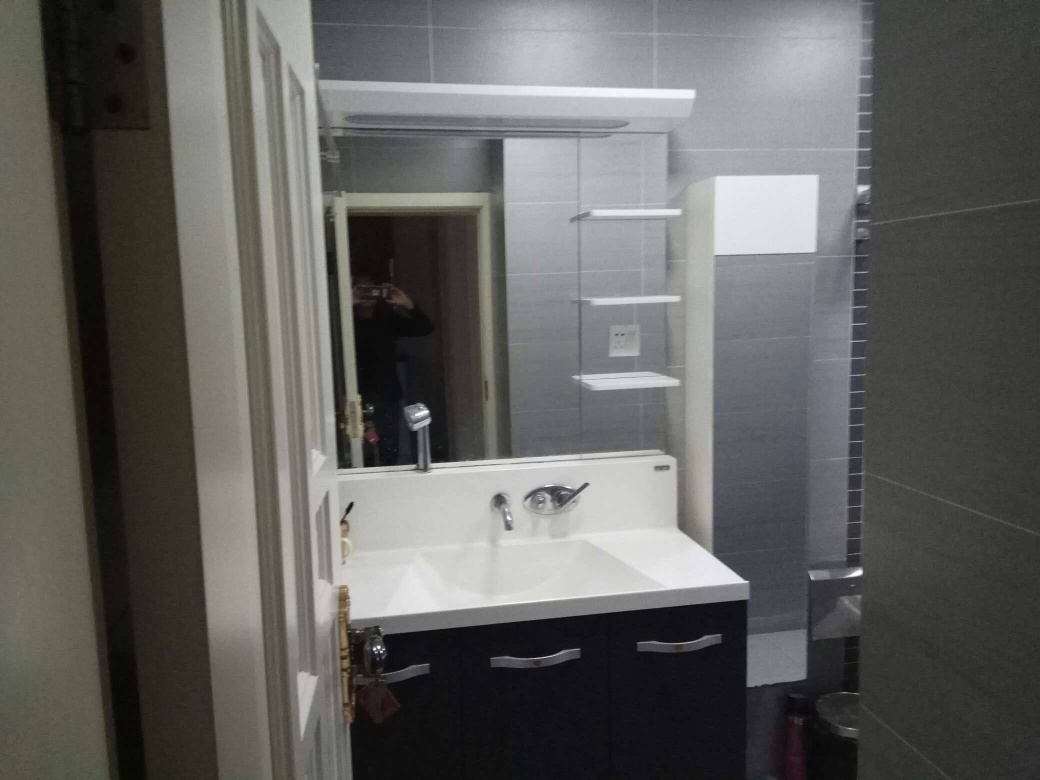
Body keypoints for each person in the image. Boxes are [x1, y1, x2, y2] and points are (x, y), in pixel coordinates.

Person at [352, 277, 434, 466]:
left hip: (386, 392)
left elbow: (425, 328)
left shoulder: (386, 318)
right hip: (353, 393)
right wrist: (345, 304)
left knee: (389, 446)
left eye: (371, 289)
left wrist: (408, 304)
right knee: (358, 450)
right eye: (362, 289)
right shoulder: (344, 320)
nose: (368, 294)